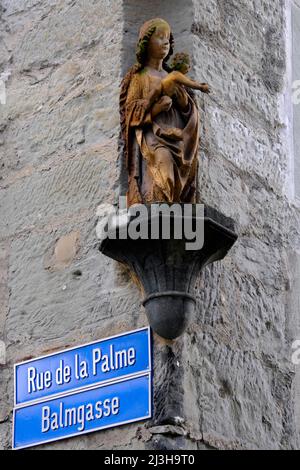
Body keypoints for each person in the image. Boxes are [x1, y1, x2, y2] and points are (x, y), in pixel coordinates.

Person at [120, 18, 210, 207]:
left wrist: (183, 102)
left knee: (180, 168)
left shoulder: (173, 77)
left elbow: (189, 111)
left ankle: (175, 206)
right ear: (146, 43)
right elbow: (131, 111)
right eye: (159, 37)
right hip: (154, 137)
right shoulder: (140, 77)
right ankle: (157, 204)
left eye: (168, 38)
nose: (165, 42)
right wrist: (155, 110)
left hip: (177, 137)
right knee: (164, 165)